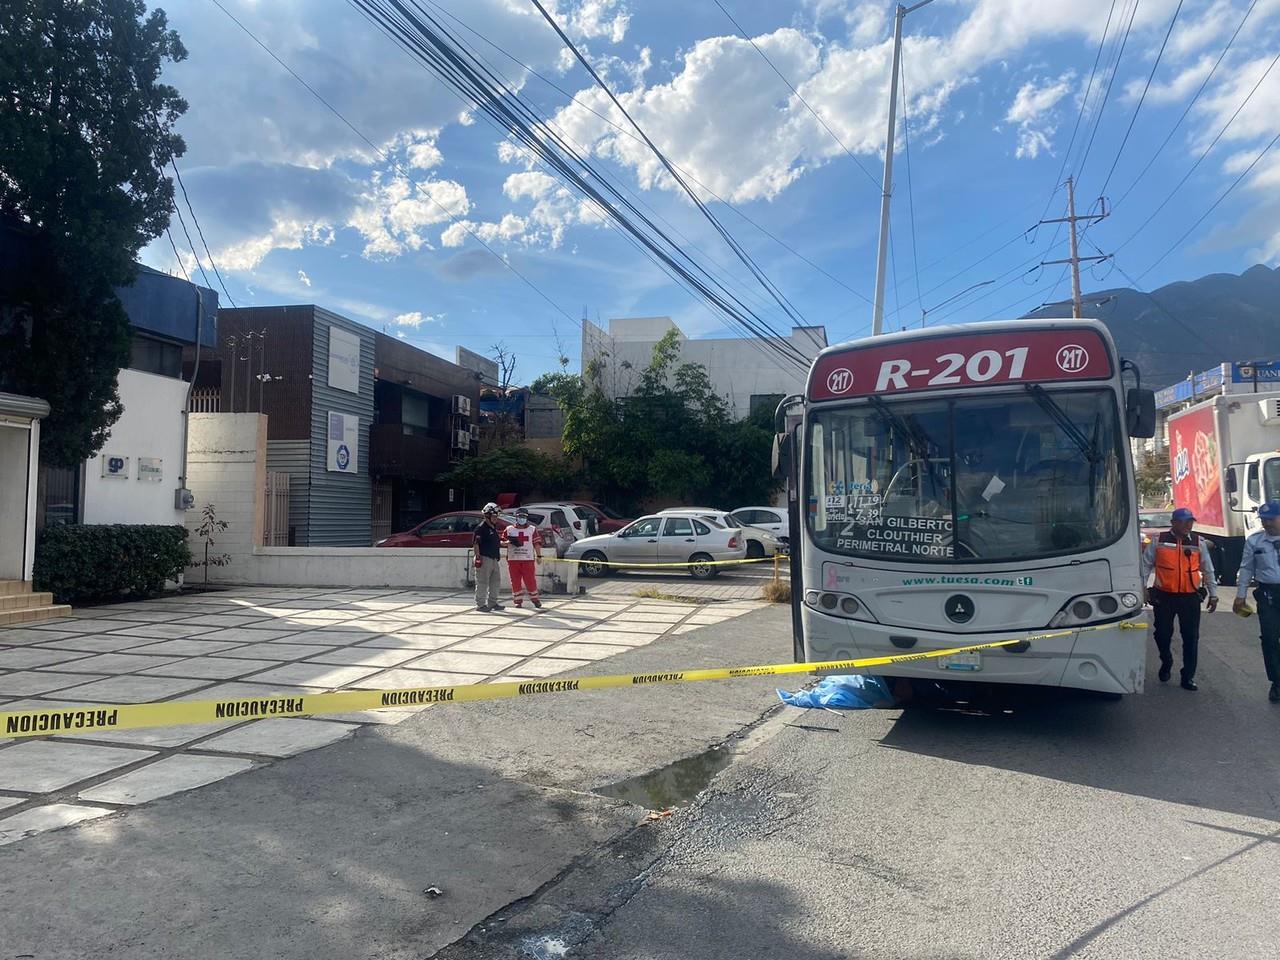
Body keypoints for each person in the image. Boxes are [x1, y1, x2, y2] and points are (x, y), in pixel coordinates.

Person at [1141, 506, 1218, 691]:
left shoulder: (1198, 542)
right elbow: (1145, 565)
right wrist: (1141, 589)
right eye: (1184, 521)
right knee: (1162, 634)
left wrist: (1213, 594)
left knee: (1191, 638)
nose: (1188, 525)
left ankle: (1188, 676)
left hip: (1189, 597)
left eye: (1190, 521)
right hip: (1164, 596)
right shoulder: (1159, 540)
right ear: (1173, 523)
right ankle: (1166, 660)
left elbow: (1208, 569)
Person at [1232, 500, 1280, 703]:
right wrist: (1240, 594)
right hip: (1268, 595)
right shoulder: (1255, 541)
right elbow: (1246, 568)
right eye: (1264, 520)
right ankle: (1277, 682)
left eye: (1271, 519)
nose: (1267, 524)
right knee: (1269, 639)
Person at [504, 507, 543, 608]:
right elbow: (501, 542)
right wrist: (508, 542)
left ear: (526, 518)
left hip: (528, 559)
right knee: (515, 581)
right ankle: (518, 601)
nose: (521, 519)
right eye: (519, 517)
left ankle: (535, 600)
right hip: (513, 560)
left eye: (523, 517)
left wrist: (539, 556)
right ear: (516, 518)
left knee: (530, 580)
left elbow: (537, 543)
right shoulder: (509, 530)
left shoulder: (532, 529)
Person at [473, 502, 504, 612]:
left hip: (494, 559)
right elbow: (476, 544)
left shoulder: (493, 527)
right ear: (487, 516)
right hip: (484, 558)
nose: (496, 518)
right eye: (494, 516)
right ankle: (481, 605)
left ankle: (493, 603)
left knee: (496, 581)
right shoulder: (481, 528)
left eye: (496, 516)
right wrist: (478, 557)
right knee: (482, 582)